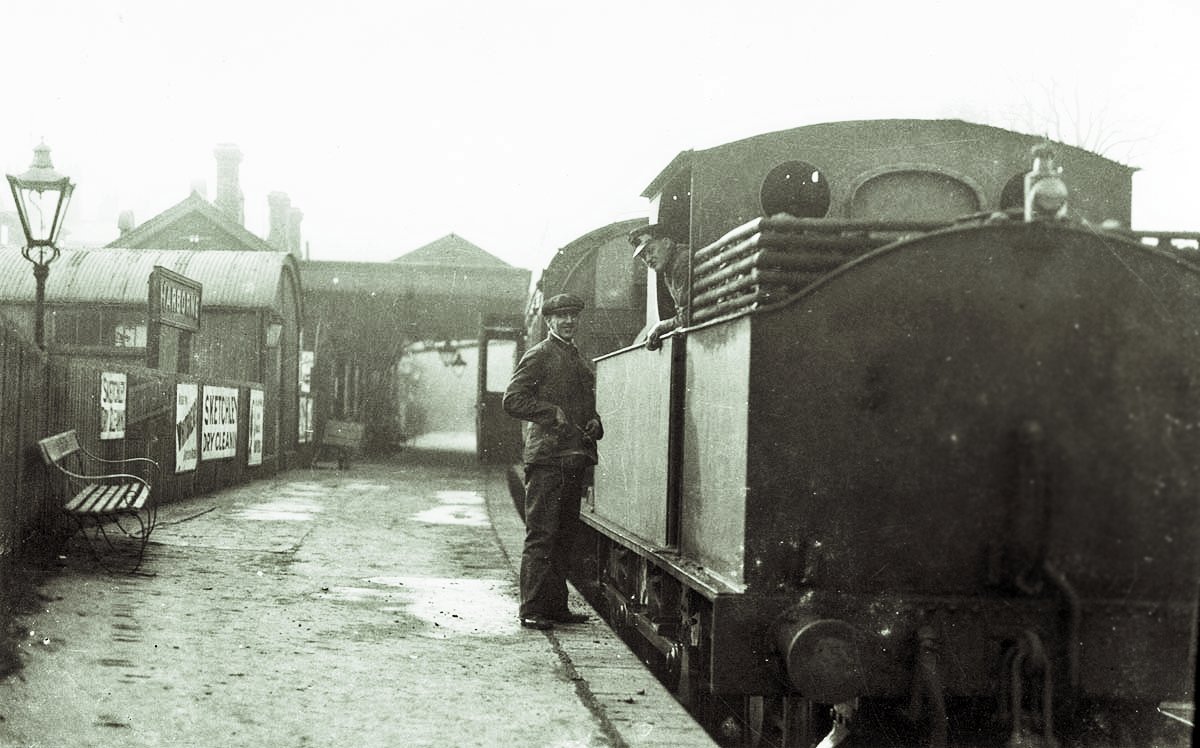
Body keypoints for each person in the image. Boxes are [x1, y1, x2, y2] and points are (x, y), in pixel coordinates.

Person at [502, 292, 603, 630]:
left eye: (573, 315)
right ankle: (531, 608)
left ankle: (556, 607)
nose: (569, 321)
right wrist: (550, 412)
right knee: (542, 535)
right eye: (561, 317)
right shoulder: (540, 355)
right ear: (549, 321)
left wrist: (594, 421)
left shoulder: (574, 357)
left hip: (572, 457)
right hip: (547, 458)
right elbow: (512, 400)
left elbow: (583, 405)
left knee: (563, 536)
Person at [628, 223, 689, 350]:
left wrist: (661, 326)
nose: (648, 259)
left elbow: (687, 316)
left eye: (650, 251)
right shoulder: (669, 270)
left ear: (666, 243)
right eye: (644, 257)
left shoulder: (681, 262)